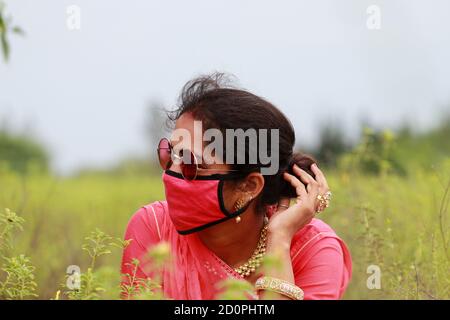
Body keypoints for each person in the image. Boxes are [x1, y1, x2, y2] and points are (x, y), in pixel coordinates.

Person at [121, 73, 352, 300]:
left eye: (192, 163)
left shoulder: (313, 249)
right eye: (170, 155)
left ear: (249, 186)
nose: (172, 172)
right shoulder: (155, 228)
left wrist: (279, 239)